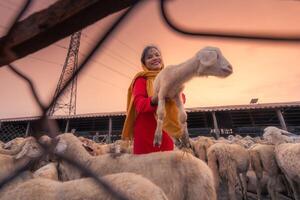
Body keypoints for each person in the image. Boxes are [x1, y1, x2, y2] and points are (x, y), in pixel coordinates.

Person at [122, 45, 185, 154]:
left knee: (167, 166)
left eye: (157, 55)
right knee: (145, 169)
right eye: (150, 57)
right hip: (146, 134)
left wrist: (175, 93)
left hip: (166, 133)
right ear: (144, 63)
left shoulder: (169, 78)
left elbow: (182, 100)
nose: (155, 58)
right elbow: (140, 105)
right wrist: (158, 97)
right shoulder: (141, 80)